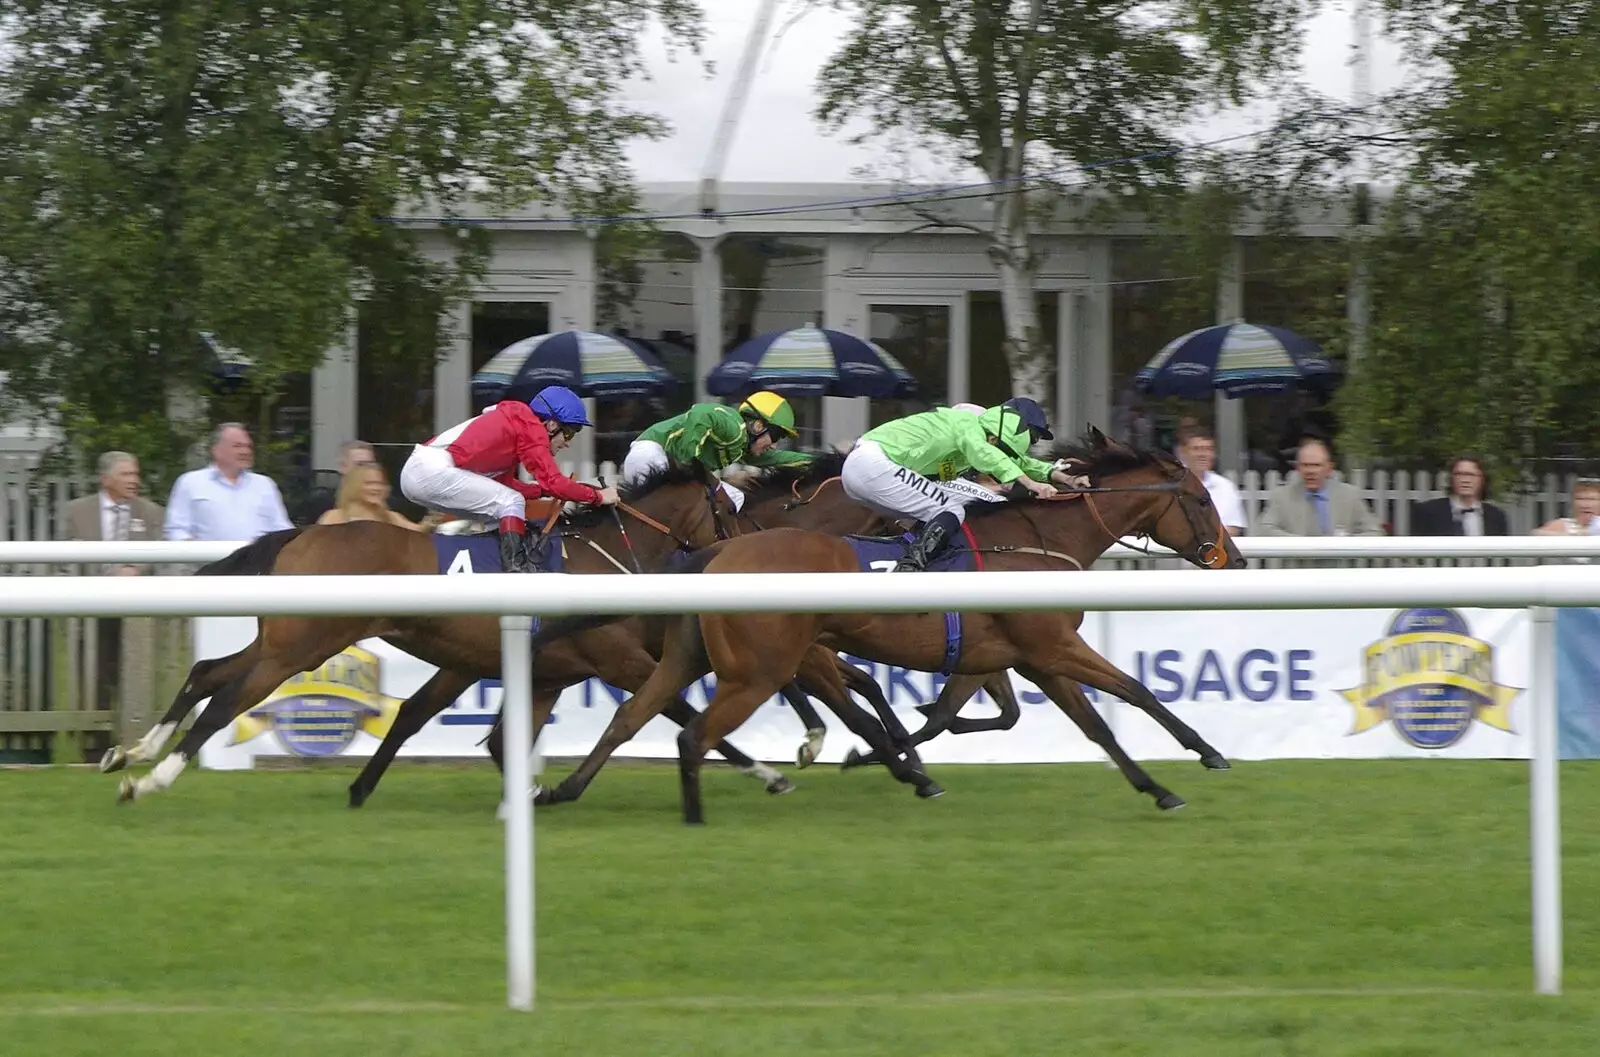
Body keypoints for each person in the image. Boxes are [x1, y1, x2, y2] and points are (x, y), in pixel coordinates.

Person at [840, 403, 1084, 573]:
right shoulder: (967, 424)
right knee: (951, 511)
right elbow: (987, 454)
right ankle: (910, 569)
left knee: (954, 505)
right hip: (873, 464)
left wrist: (1064, 478)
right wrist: (1030, 484)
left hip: (867, 469)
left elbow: (1019, 461)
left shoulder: (974, 439)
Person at [399, 385, 617, 573]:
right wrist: (597, 496)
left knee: (503, 507)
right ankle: (516, 570)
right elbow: (554, 482)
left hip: (420, 473)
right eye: (569, 433)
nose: (568, 442)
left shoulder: (515, 427)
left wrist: (544, 491)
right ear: (551, 425)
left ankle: (490, 566)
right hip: (429, 471)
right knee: (509, 502)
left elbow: (506, 484)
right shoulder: (531, 429)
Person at [622, 391, 813, 512]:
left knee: (735, 498)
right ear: (757, 425)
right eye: (776, 436)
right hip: (650, 453)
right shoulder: (733, 425)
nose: (774, 445)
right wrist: (689, 464)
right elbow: (701, 412)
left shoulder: (741, 448)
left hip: (655, 461)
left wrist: (828, 462)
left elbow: (781, 458)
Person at [164, 423, 293, 543]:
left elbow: (282, 529)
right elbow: (176, 530)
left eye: (248, 446)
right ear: (216, 450)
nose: (246, 452)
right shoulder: (190, 482)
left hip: (258, 564)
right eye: (237, 446)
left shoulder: (264, 484)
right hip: (209, 564)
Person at [1410, 455, 1508, 536]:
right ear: (1451, 479)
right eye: (1459, 474)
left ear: (1483, 479)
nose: (1465, 480)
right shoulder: (1427, 512)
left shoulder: (1496, 516)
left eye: (1471, 475)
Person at [317, 461, 428, 532]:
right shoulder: (334, 517)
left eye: (380, 483)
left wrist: (434, 520)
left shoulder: (391, 517)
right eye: (369, 483)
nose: (376, 488)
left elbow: (418, 532)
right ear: (354, 486)